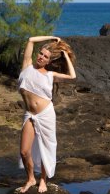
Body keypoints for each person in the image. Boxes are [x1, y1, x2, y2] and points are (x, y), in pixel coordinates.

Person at [17, 36, 76, 193]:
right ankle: (31, 178)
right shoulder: (27, 67)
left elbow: (72, 76)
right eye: (40, 54)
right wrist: (51, 38)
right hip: (30, 114)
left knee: (45, 147)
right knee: (24, 151)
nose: (41, 57)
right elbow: (30, 40)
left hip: (45, 114)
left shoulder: (50, 75)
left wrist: (64, 55)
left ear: (49, 61)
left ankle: (43, 179)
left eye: (45, 56)